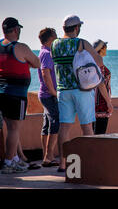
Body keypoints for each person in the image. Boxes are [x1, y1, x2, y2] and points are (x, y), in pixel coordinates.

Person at [52, 15, 111, 173]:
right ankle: (88, 161)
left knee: (64, 128)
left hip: (62, 90)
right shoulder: (80, 42)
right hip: (81, 90)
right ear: (76, 28)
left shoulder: (55, 44)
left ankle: (63, 164)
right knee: (87, 128)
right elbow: (99, 61)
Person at [0, 17, 40, 174]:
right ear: (16, 30)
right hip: (16, 95)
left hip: (2, 93)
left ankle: (15, 159)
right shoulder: (21, 47)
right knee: (14, 128)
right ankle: (9, 162)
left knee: (10, 127)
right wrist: (26, 62)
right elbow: (37, 63)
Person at [37, 28, 60, 167]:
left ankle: (46, 156)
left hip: (45, 94)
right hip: (48, 95)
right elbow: (45, 73)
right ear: (50, 38)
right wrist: (53, 92)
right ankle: (48, 156)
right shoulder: (46, 53)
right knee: (55, 123)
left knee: (47, 125)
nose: (57, 38)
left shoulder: (45, 52)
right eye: (55, 36)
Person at [92, 39, 114, 135]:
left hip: (92, 101)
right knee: (100, 133)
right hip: (101, 101)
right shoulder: (99, 62)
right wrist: (108, 102)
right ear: (102, 49)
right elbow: (101, 84)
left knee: (94, 132)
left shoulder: (91, 62)